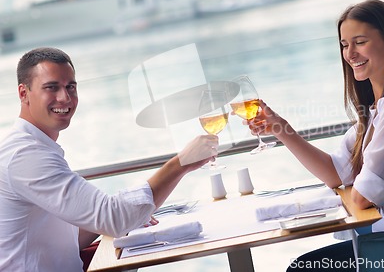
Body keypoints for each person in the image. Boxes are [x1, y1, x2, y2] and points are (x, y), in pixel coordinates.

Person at [247, 0, 384, 271]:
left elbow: (363, 197)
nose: (350, 53)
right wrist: (281, 129)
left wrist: (359, 183)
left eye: (359, 42)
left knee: (305, 268)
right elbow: (335, 173)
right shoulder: (377, 110)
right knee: (305, 266)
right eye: (344, 44)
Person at [0, 47, 219, 272]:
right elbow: (112, 217)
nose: (64, 98)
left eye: (70, 87)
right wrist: (181, 163)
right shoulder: (25, 155)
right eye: (51, 87)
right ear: (23, 93)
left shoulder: (34, 147)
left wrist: (130, 216)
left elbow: (68, 240)